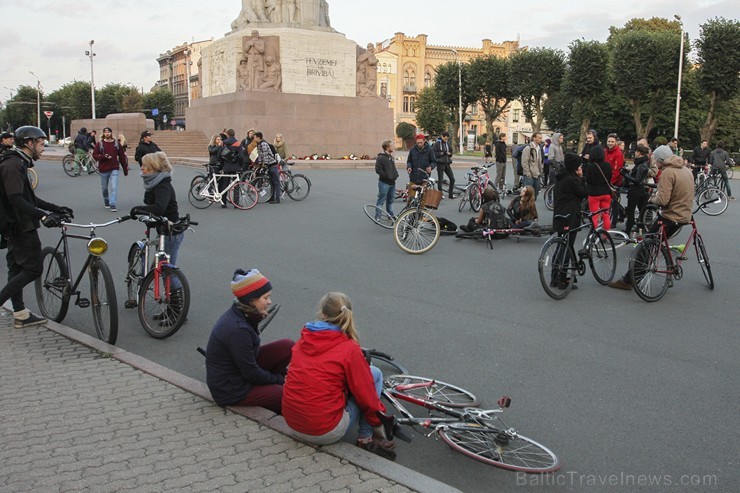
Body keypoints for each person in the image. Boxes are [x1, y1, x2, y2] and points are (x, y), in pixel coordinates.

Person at [282, 292, 396, 460]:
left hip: (292, 423)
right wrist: (379, 423)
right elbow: (367, 399)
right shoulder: (349, 349)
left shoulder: (304, 339)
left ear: (322, 314)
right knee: (374, 375)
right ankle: (366, 438)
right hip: (323, 432)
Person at [0, 126, 73, 328]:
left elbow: (29, 198)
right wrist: (42, 215)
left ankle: (21, 314)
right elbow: (15, 198)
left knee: (16, 270)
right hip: (20, 226)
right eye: (41, 144)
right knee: (33, 269)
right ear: (29, 143)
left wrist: (55, 208)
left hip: (15, 225)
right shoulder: (13, 164)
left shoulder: (18, 162)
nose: (43, 148)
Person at [206, 268, 294, 414]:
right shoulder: (238, 330)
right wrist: (279, 380)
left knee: (287, 346)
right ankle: (283, 407)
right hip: (231, 389)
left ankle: (272, 387)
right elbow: (251, 373)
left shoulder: (242, 313)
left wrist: (284, 376)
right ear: (251, 300)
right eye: (265, 298)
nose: (269, 302)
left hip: (239, 372)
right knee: (284, 393)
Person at [609, 145, 694, 290]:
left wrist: (652, 199)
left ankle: (630, 280)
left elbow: (663, 200)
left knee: (647, 245)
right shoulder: (686, 170)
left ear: (660, 159)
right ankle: (668, 269)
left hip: (671, 215)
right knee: (658, 243)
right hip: (685, 215)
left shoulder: (668, 172)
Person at [129, 151, 185, 319]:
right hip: (163, 229)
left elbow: (159, 207)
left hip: (171, 232)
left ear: (153, 167)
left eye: (144, 165)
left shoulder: (162, 185)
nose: (141, 168)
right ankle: (174, 310)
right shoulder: (155, 182)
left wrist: (137, 209)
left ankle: (176, 310)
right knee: (161, 267)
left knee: (167, 269)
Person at [552, 153, 588, 290]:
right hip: (571, 216)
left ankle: (555, 277)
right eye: (579, 166)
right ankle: (562, 279)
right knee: (567, 247)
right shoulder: (572, 180)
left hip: (560, 214)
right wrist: (582, 178)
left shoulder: (561, 177)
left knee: (561, 245)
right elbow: (583, 193)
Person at [92, 127, 129, 212]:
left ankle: (113, 204)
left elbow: (122, 157)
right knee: (104, 188)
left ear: (111, 133)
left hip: (114, 168)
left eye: (108, 132)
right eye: (105, 132)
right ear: (103, 134)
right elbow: (95, 155)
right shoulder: (99, 144)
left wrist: (125, 169)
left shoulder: (116, 144)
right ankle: (106, 201)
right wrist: (103, 156)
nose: (107, 134)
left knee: (114, 186)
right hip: (103, 169)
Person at [621, 144, 651, 236]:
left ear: (640, 153)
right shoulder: (642, 163)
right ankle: (639, 227)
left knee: (631, 210)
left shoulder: (641, 165)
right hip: (639, 190)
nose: (635, 153)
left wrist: (626, 175)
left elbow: (637, 180)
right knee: (639, 209)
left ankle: (628, 229)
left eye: (636, 151)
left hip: (636, 190)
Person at [584, 144, 612, 231]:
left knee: (594, 215)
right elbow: (610, 178)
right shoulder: (608, 165)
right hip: (606, 193)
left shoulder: (591, 166)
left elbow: (588, 180)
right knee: (605, 214)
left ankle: (595, 233)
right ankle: (605, 235)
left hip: (594, 193)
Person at [254, 131, 281, 203]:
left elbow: (265, 155)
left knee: (276, 182)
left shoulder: (263, 144)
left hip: (272, 164)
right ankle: (272, 197)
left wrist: (264, 165)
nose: (254, 139)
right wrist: (260, 165)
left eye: (255, 137)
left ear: (258, 137)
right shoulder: (259, 144)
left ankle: (277, 198)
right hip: (269, 165)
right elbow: (260, 156)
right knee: (272, 182)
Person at [374, 140, 398, 219]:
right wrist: (387, 176)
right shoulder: (381, 157)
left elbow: (393, 168)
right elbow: (378, 170)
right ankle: (378, 216)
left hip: (392, 183)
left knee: (390, 200)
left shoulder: (391, 157)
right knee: (381, 200)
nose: (393, 147)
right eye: (392, 146)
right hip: (384, 182)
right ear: (387, 148)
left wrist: (395, 175)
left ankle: (390, 215)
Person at [432, 132, 455, 199]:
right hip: (440, 163)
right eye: (445, 138)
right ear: (442, 136)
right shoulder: (437, 144)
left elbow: (451, 151)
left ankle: (451, 194)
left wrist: (450, 154)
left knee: (452, 179)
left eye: (447, 138)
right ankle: (440, 194)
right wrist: (443, 153)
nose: (446, 139)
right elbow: (434, 153)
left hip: (447, 163)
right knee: (440, 179)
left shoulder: (447, 144)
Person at [521, 132, 543, 199]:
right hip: (529, 175)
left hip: (537, 174)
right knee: (527, 195)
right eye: (539, 138)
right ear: (534, 138)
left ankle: (531, 207)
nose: (541, 139)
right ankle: (525, 208)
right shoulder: (528, 148)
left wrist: (540, 172)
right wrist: (528, 173)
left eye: (541, 138)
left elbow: (539, 162)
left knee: (535, 194)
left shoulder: (539, 148)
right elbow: (524, 162)